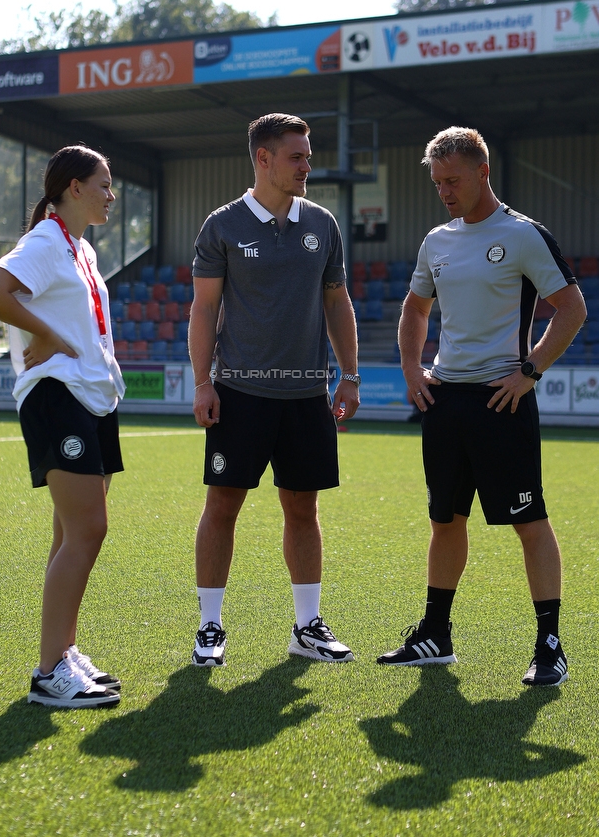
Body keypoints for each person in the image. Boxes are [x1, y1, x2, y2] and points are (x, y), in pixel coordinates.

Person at [377, 126, 586, 686]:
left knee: (529, 522)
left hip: (502, 402)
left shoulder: (522, 235)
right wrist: (410, 369)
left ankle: (549, 645)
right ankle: (435, 635)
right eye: (437, 181)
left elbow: (571, 308)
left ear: (482, 173)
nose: (443, 190)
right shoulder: (436, 241)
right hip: (446, 400)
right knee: (445, 519)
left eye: (452, 180)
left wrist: (530, 371)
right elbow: (414, 309)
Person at [189, 112, 360, 666]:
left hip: (308, 396)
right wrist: (201, 383)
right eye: (298, 156)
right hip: (239, 393)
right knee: (222, 507)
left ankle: (307, 626)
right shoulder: (222, 225)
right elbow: (204, 308)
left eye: (308, 155)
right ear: (263, 158)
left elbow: (337, 301)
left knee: (303, 509)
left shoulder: (324, 224)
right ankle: (210, 627)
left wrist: (349, 373)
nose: (308, 165)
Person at [0, 145, 125, 708]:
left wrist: (55, 333)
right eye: (104, 184)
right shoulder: (45, 241)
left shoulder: (77, 246)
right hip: (58, 398)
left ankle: (63, 651)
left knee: (71, 533)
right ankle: (47, 674)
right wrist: (49, 336)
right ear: (74, 188)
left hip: (90, 397)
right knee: (88, 530)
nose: (111, 195)